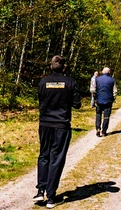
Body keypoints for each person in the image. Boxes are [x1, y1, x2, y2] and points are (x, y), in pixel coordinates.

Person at [35, 55, 82, 208]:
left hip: (45, 124)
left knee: (44, 155)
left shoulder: (43, 82)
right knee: (56, 159)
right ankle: (51, 196)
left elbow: (41, 101)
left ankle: (40, 190)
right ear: (64, 67)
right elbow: (77, 104)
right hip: (61, 125)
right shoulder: (70, 82)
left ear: (51, 66)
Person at [93, 67, 117, 137]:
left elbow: (93, 90)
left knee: (98, 114)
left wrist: (95, 98)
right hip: (108, 101)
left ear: (102, 72)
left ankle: (98, 128)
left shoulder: (97, 79)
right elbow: (115, 91)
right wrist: (113, 99)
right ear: (109, 72)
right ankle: (104, 131)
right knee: (106, 116)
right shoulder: (112, 80)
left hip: (99, 100)